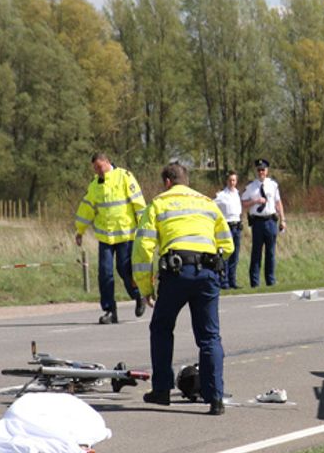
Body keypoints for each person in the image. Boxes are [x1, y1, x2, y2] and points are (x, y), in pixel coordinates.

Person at [132, 162, 234, 416]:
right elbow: (228, 244)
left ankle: (162, 391)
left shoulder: (158, 203)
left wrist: (146, 287)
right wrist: (213, 260)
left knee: (162, 328)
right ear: (186, 181)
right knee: (210, 337)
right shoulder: (207, 203)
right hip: (208, 272)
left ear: (167, 182)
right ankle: (215, 398)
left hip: (176, 273)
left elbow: (143, 248)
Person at [74, 153, 147, 324]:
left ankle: (139, 296)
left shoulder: (124, 177)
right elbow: (87, 209)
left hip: (125, 234)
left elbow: (138, 203)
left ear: (107, 162)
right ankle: (109, 311)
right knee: (105, 274)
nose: (98, 171)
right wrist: (80, 231)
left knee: (124, 270)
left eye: (99, 167)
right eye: (95, 168)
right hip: (105, 237)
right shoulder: (94, 185)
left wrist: (144, 229)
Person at [241, 158, 287, 288]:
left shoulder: (273, 185)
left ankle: (270, 281)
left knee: (271, 253)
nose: (261, 172)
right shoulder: (251, 187)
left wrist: (283, 219)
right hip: (258, 222)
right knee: (256, 253)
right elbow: (243, 203)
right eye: (259, 170)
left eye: (263, 170)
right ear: (257, 171)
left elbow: (278, 202)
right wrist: (254, 201)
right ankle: (255, 282)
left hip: (271, 220)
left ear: (267, 171)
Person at [214, 170, 244, 289]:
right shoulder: (221, 195)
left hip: (237, 226)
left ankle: (232, 281)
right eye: (230, 180)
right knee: (226, 254)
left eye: (234, 180)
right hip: (227, 227)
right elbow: (212, 206)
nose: (232, 182)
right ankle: (224, 281)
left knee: (235, 256)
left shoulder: (237, 194)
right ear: (227, 181)